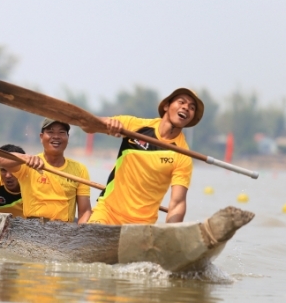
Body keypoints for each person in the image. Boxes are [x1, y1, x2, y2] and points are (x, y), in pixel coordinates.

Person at [87, 88, 204, 225]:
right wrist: (108, 125)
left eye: (192, 107)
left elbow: (177, 204)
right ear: (166, 106)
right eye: (181, 102)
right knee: (92, 238)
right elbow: (88, 126)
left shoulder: (183, 155)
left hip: (141, 225)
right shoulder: (135, 126)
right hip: (107, 213)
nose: (186, 107)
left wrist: (169, 235)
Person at [0, 118, 92, 224]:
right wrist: (25, 158)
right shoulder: (29, 164)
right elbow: (1, 160)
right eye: (50, 132)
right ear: (41, 137)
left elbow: (85, 211)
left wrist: (78, 234)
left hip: (64, 231)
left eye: (61, 132)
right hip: (34, 228)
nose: (56, 136)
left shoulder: (80, 169)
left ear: (67, 138)